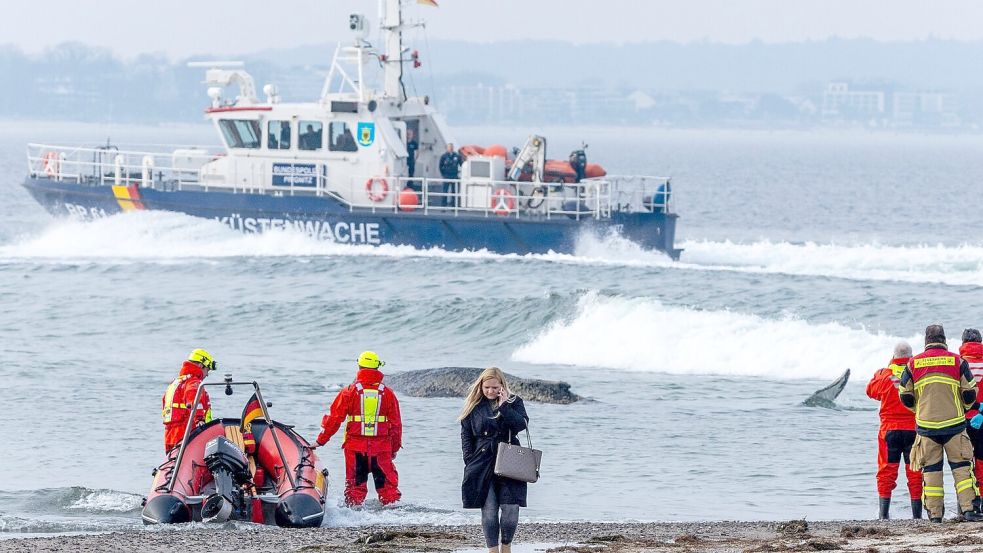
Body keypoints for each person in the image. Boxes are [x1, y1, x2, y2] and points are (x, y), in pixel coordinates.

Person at [900, 324, 983, 522]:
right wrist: (963, 409)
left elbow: (905, 395)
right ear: (944, 339)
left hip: (926, 427)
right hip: (955, 425)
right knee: (962, 468)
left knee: (931, 471)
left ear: (926, 341)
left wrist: (919, 411)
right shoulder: (957, 361)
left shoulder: (913, 364)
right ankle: (970, 510)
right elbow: (970, 392)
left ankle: (935, 515)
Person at [315, 351, 402, 506]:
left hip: (355, 449)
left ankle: (353, 518)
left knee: (354, 490)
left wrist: (320, 441)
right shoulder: (388, 394)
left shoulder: (349, 391)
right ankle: (393, 518)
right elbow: (396, 426)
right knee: (388, 491)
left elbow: (334, 419)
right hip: (381, 449)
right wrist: (393, 449)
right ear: (377, 368)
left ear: (360, 367)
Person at [460, 367, 529, 553]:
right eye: (486, 387)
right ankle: (492, 550)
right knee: (489, 510)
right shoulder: (474, 405)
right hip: (482, 462)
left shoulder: (514, 402)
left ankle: (506, 547)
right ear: (481, 386)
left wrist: (504, 405)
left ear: (502, 386)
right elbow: (466, 435)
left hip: (510, 459)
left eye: (494, 387)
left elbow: (521, 425)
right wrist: (469, 460)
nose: (490, 391)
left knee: (511, 508)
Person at [866, 341, 922, 519]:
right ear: (911, 357)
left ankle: (883, 514)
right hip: (913, 429)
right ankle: (917, 516)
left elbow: (870, 391)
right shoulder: (918, 374)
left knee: (886, 472)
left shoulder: (884, 375)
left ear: (893, 356)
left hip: (889, 431)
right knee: (914, 472)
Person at [161, 349, 216, 452]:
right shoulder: (193, 382)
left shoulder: (176, 383)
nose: (207, 374)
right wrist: (199, 419)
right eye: (207, 370)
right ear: (200, 365)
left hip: (170, 434)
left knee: (174, 462)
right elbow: (194, 401)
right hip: (186, 431)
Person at [961, 328, 983, 504]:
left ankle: (967, 504)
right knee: (982, 461)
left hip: (961, 420)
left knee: (963, 464)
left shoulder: (958, 364)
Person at [438, 143, 462, 207]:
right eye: (449, 147)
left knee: (454, 192)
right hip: (447, 175)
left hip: (454, 175)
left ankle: (453, 206)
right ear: (447, 148)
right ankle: (443, 206)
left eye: (451, 147)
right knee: (445, 191)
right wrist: (443, 174)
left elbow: (462, 164)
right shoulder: (444, 156)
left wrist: (459, 173)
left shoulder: (457, 156)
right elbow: (440, 166)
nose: (450, 148)